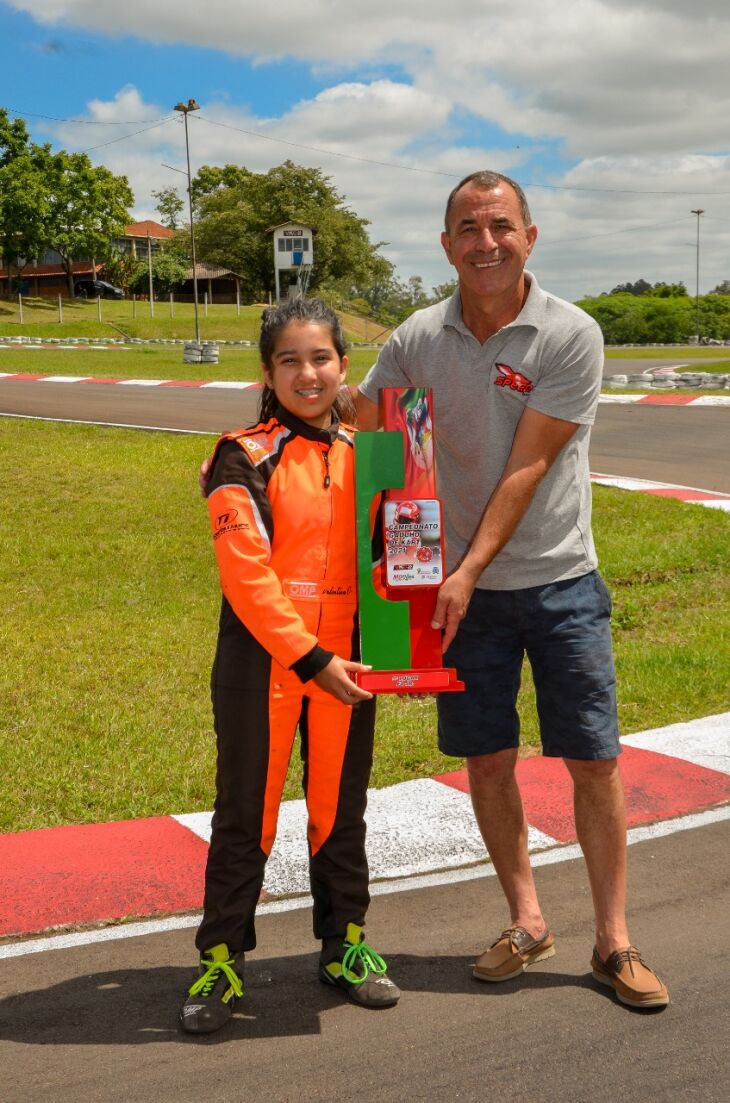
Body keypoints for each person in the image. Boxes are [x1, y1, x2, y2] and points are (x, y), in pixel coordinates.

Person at [353, 171, 669, 1010]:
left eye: (500, 225)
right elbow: (374, 414)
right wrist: (296, 391)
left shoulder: (570, 334)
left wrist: (462, 570)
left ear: (531, 235)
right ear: (445, 243)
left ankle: (614, 940)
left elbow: (529, 463)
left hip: (559, 580)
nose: (484, 241)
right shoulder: (419, 337)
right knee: (487, 760)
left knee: (593, 761)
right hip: (465, 601)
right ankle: (527, 921)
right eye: (467, 227)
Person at [180, 298, 401, 1035]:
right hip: (266, 659)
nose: (308, 373)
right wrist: (310, 658)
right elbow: (247, 575)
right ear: (268, 373)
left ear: (343, 365)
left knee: (342, 807)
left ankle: (345, 944)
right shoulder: (239, 452)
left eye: (321, 358)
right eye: (290, 361)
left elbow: (395, 553)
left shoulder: (371, 452)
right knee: (248, 808)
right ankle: (220, 956)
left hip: (348, 659)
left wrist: (407, 625)